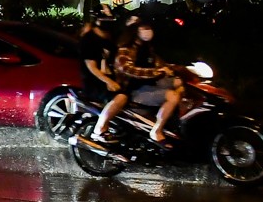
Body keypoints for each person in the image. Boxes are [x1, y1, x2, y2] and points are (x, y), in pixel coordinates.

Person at [97, 17, 183, 145]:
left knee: (179, 83)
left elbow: (159, 64)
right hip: (133, 90)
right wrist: (158, 72)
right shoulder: (125, 49)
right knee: (173, 96)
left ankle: (170, 122)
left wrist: (178, 68)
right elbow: (129, 69)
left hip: (148, 85)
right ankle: (156, 131)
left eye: (148, 27)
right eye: (143, 28)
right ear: (135, 30)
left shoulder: (147, 48)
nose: (147, 31)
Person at [76, 13, 121, 111]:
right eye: (105, 19)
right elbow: (92, 67)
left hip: (110, 79)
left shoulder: (110, 39)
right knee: (119, 98)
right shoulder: (88, 40)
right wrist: (109, 82)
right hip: (95, 83)